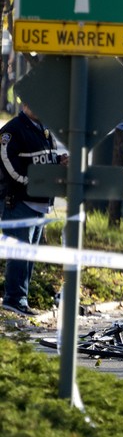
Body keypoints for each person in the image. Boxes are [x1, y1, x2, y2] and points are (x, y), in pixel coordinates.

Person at [0, 101, 67, 316]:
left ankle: (22, 300)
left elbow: (42, 159)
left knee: (29, 255)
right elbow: (8, 165)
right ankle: (14, 300)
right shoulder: (11, 131)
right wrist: (33, 182)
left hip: (40, 203)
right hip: (19, 202)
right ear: (23, 103)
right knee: (20, 254)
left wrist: (58, 161)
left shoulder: (44, 130)